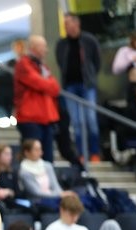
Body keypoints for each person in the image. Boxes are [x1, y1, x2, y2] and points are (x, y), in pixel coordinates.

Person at [55, 12, 102, 162]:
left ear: (77, 24)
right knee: (76, 122)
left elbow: (97, 61)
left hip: (86, 84)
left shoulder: (89, 40)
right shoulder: (61, 44)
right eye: (65, 24)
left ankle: (94, 152)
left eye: (69, 23)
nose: (67, 26)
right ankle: (81, 153)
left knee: (90, 119)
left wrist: (91, 75)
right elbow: (60, 62)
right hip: (70, 86)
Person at [14, 35, 60, 163]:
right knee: (32, 159)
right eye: (43, 46)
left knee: (48, 159)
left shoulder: (43, 66)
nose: (46, 50)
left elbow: (55, 88)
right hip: (29, 118)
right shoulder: (23, 63)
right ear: (34, 47)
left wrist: (46, 84)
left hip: (46, 118)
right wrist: (47, 84)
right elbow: (38, 82)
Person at [17, 138, 73, 211]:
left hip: (54, 199)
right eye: (36, 150)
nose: (40, 152)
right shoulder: (24, 171)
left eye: (40, 149)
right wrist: (59, 195)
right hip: (37, 202)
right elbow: (36, 193)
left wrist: (63, 194)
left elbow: (55, 185)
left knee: (72, 201)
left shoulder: (47, 166)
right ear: (27, 152)